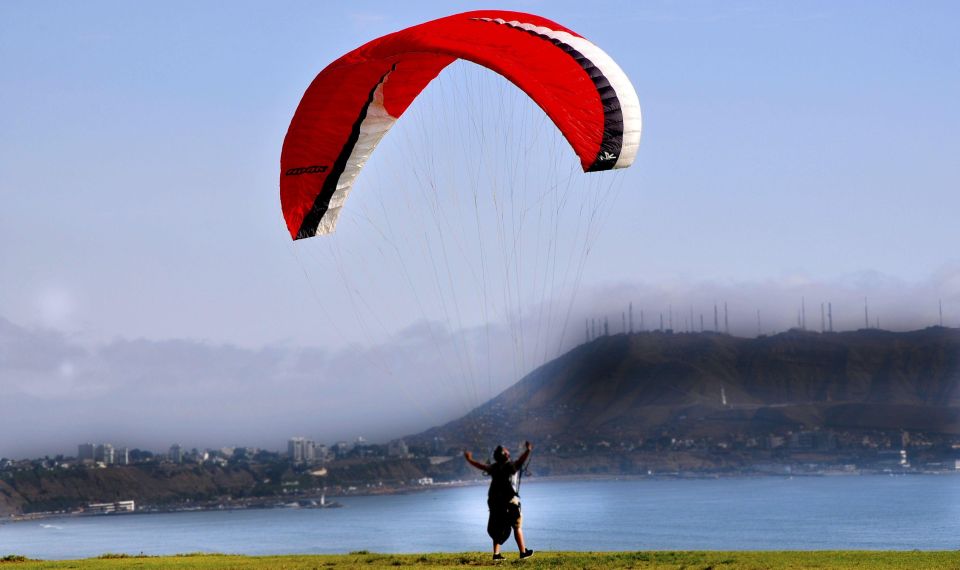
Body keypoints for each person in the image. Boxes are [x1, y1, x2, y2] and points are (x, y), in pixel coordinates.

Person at [464, 441, 534, 560]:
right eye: (506, 451)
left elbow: (481, 466)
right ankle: (523, 552)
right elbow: (521, 461)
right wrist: (528, 450)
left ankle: (496, 555)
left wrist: (469, 460)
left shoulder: (494, 468)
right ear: (505, 455)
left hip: (495, 502)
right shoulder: (510, 467)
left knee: (497, 526)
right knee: (517, 526)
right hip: (510, 501)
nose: (508, 451)